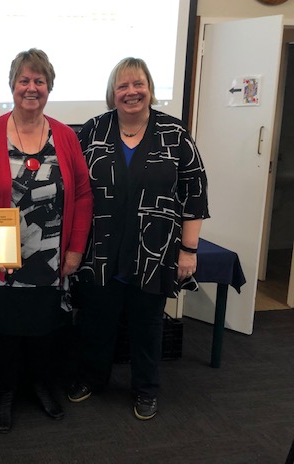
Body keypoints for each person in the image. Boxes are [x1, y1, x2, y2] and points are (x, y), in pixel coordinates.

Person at [0, 48, 93, 434]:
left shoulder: (65, 136)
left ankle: (40, 386)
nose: (31, 88)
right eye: (24, 80)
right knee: (2, 325)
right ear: (12, 85)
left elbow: (82, 194)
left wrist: (75, 248)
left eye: (39, 81)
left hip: (50, 252)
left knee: (45, 325)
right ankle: (4, 392)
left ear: (49, 87)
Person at [68, 57, 209, 420]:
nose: (131, 92)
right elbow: (75, 190)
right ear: (112, 93)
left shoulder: (174, 134)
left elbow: (194, 195)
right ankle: (91, 378)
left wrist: (188, 250)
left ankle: (145, 389)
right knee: (97, 320)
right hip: (101, 251)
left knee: (147, 325)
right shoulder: (92, 131)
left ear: (149, 89)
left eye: (138, 84)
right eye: (123, 86)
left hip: (154, 252)